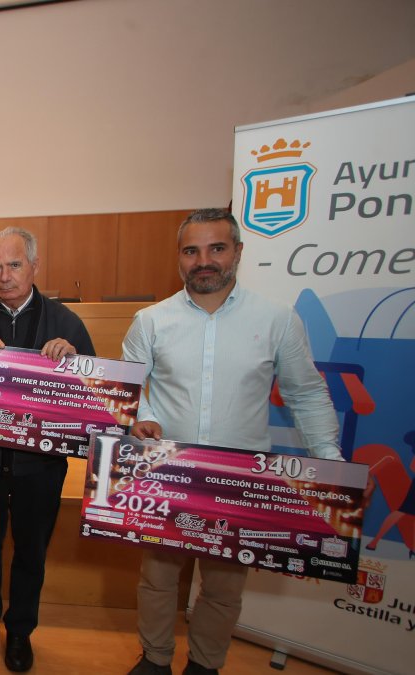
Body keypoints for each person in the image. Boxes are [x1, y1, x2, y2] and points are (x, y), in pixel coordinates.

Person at [122, 209, 342, 675]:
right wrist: (143, 418)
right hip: (168, 473)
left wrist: (331, 464)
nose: (204, 261)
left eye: (216, 248)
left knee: (223, 588)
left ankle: (205, 665)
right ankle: (155, 660)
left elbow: (306, 393)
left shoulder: (277, 318)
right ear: (179, 258)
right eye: (191, 251)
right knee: (158, 579)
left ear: (238, 252)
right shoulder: (150, 320)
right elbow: (131, 390)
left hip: (239, 478)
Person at [0, 227, 94, 672]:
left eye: (14, 265)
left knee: (31, 551)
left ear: (34, 266)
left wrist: (76, 364)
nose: (5, 275)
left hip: (40, 467)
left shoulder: (67, 324)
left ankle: (20, 631)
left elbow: (94, 401)